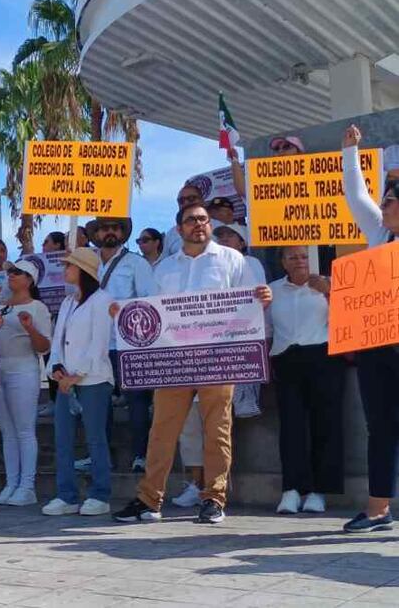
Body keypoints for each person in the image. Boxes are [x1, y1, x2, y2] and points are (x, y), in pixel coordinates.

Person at [114, 202, 271, 525]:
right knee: (162, 431)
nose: (198, 224)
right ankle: (148, 500)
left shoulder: (233, 260)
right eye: (191, 220)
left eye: (203, 219)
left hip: (218, 358)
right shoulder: (165, 268)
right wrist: (125, 315)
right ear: (180, 228)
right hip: (175, 361)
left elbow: (252, 302)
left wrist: (263, 298)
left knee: (218, 430)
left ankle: (214, 498)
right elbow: (151, 311)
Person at [339, 124, 399, 532]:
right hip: (378, 344)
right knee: (380, 425)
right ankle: (378, 509)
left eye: (391, 200)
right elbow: (356, 196)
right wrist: (350, 152)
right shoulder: (377, 235)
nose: (384, 204)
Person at [269, 245, 344, 515]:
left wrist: (330, 292)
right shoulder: (272, 290)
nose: (299, 261)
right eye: (292, 257)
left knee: (326, 425)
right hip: (286, 359)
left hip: (324, 357)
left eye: (303, 256)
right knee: (291, 427)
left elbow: (348, 320)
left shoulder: (331, 284)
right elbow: (265, 328)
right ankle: (291, 489)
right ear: (283, 262)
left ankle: (318, 491)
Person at [41, 248, 114, 516]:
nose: (65, 269)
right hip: (66, 382)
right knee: (63, 439)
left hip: (93, 380)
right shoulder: (67, 302)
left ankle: (100, 494)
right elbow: (58, 339)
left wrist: (77, 374)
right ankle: (67, 495)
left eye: (69, 266)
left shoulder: (103, 300)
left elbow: (99, 344)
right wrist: (57, 368)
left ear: (82, 270)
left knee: (96, 439)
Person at [87, 217, 155, 473]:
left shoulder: (136, 263)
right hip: (98, 342)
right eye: (105, 228)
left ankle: (140, 454)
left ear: (123, 233)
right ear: (97, 233)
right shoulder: (88, 262)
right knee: (98, 404)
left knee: (136, 402)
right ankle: (100, 457)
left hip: (129, 343)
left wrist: (124, 312)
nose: (110, 232)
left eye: (115, 228)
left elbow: (149, 300)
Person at [0, 260, 52, 507]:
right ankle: (11, 483)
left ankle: (27, 486)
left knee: (25, 430)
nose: (11, 276)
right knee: (7, 431)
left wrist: (29, 328)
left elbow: (44, 346)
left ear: (30, 280)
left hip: (23, 369)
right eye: (10, 272)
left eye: (17, 272)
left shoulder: (38, 308)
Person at [213, 224, 266, 418]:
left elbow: (256, 299)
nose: (224, 239)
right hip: (217, 338)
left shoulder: (250, 262)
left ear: (242, 242)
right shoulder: (212, 264)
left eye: (230, 235)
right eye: (221, 236)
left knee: (242, 401)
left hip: (243, 336)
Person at [162, 181, 205, 256]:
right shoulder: (171, 235)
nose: (186, 203)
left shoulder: (219, 227)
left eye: (191, 198)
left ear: (202, 201)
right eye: (181, 201)